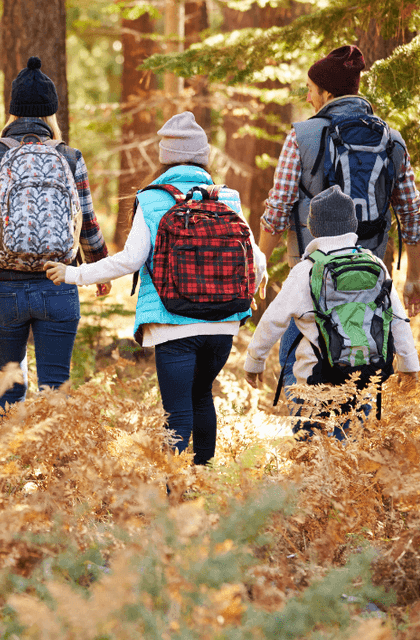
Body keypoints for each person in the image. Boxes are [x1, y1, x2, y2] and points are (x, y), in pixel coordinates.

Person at [46, 111, 267, 466]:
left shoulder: (152, 199)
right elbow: (255, 259)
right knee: (202, 396)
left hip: (172, 322)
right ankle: (204, 479)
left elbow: (130, 260)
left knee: (177, 413)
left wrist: (74, 274)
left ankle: (175, 490)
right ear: (203, 156)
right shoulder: (227, 198)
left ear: (165, 156)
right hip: (223, 325)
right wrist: (248, 293)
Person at [258, 44, 420, 395]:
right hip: (370, 283)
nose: (308, 97)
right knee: (362, 375)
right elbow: (412, 213)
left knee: (302, 373)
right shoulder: (392, 141)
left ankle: (310, 428)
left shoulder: (301, 137)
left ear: (327, 93)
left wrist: (260, 264)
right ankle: (352, 429)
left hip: (312, 282)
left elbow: (277, 210)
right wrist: (414, 277)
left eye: (310, 89)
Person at [0, 56, 111, 414]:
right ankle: (50, 451)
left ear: (13, 110)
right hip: (58, 283)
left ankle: (10, 449)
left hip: (2, 287)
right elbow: (87, 222)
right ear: (51, 113)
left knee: (8, 387)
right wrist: (100, 270)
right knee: (55, 389)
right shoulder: (70, 157)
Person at [244, 186, 419, 439]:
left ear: (312, 228)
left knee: (313, 446)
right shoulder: (375, 264)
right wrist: (409, 365)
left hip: (315, 381)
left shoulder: (305, 270)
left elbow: (273, 321)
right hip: (364, 378)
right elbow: (397, 319)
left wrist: (255, 361)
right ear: (353, 225)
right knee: (350, 444)